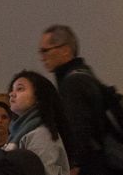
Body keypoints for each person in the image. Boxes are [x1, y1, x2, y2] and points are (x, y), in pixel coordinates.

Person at [41, 25, 107, 175]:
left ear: (65, 50)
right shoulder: (84, 74)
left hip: (90, 167)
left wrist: (73, 164)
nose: (42, 57)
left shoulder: (73, 82)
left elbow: (77, 128)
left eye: (45, 50)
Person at [0, 71, 70, 175]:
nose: (12, 94)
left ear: (38, 97)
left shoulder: (41, 135)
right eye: (12, 90)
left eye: (20, 89)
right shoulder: (16, 134)